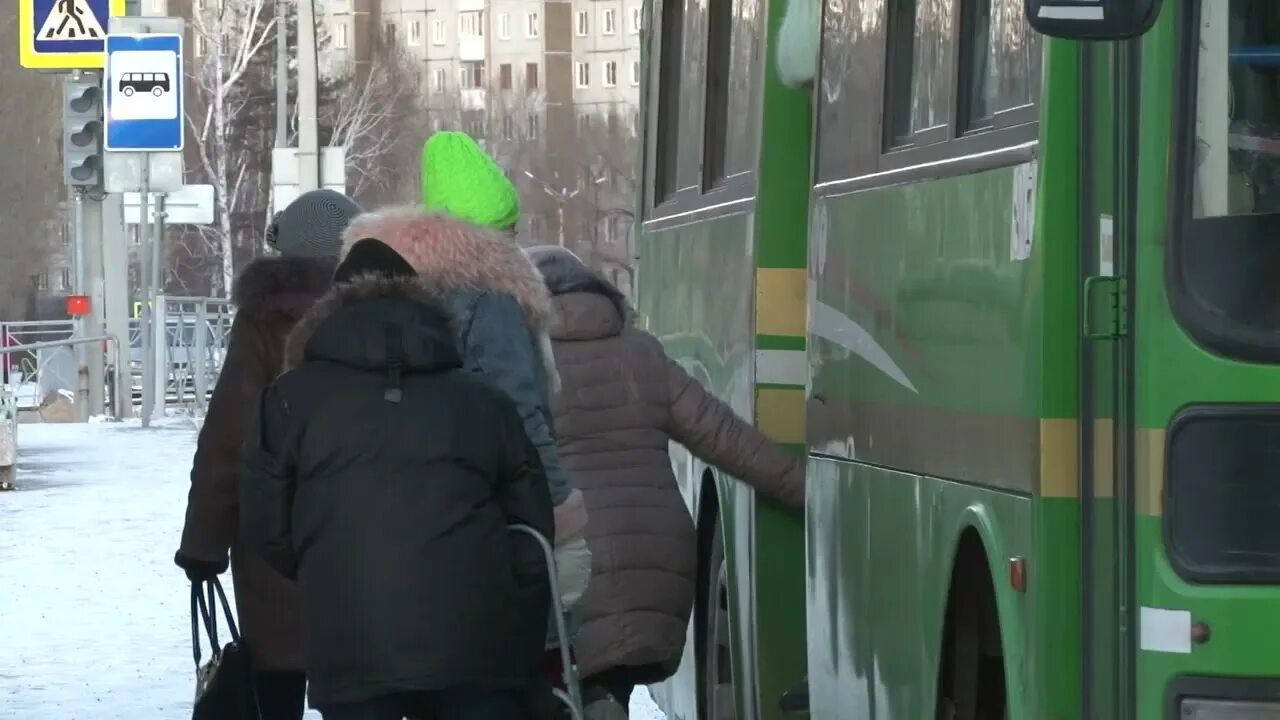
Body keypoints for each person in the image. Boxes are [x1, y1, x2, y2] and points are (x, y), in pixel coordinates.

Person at [238, 238, 554, 720]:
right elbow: (532, 526)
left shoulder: (288, 400)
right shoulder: (484, 402)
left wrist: (326, 566)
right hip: (473, 647)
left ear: (326, 316)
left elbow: (264, 521)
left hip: (350, 640)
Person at [526, 246, 806, 719]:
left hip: (567, 562)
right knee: (606, 681)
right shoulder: (641, 352)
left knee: (569, 681)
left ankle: (599, 704)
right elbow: (722, 435)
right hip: (655, 559)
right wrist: (808, 490)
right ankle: (605, 703)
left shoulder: (523, 362)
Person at [347, 130, 590, 597]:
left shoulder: (393, 288)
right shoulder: (490, 298)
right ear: (481, 236)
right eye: (509, 229)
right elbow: (521, 412)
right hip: (494, 510)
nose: (517, 241)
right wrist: (561, 510)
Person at [174, 189, 363, 720]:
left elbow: (229, 439)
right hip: (366, 539)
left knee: (275, 686)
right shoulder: (386, 314)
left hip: (272, 536)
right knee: (361, 687)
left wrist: (202, 544)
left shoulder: (265, 322)